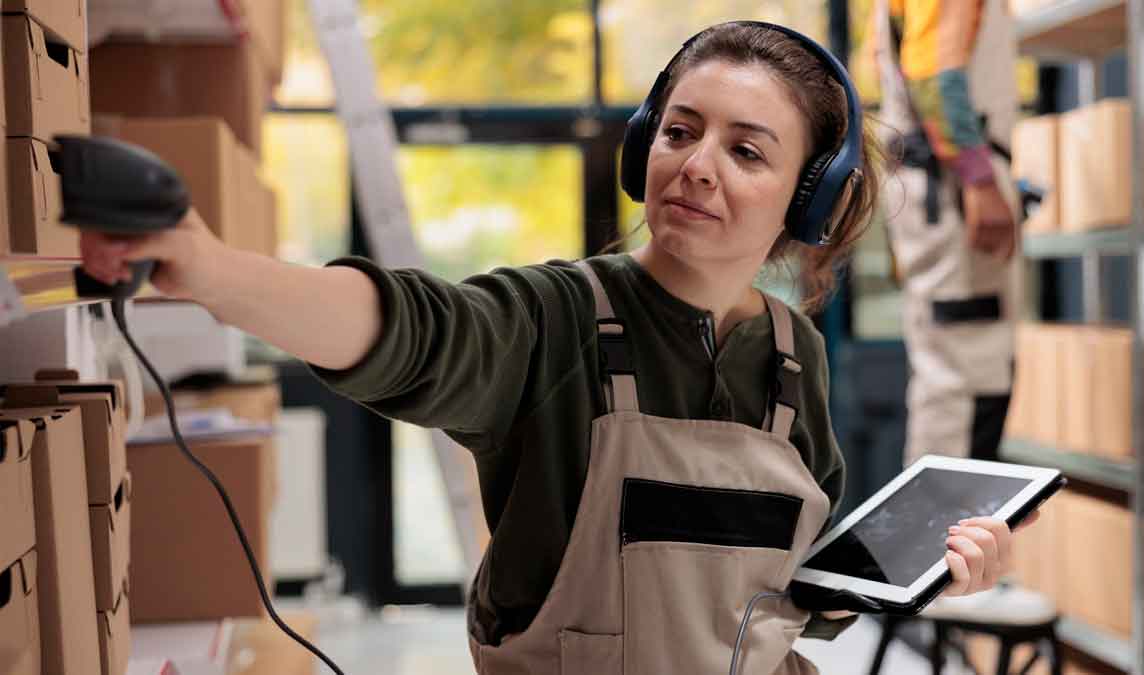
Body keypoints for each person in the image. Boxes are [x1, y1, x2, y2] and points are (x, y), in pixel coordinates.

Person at [82, 21, 1032, 675]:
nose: (697, 163)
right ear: (642, 148)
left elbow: (799, 595)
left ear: (807, 200)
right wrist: (209, 269)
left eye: (747, 151)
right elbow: (406, 331)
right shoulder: (555, 319)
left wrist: (930, 568)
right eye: (681, 130)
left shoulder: (795, 357)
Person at [872, 0, 1023, 465]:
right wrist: (979, 180)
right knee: (965, 380)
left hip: (938, 185)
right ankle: (940, 533)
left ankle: (936, 529)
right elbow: (935, 77)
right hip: (953, 187)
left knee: (954, 374)